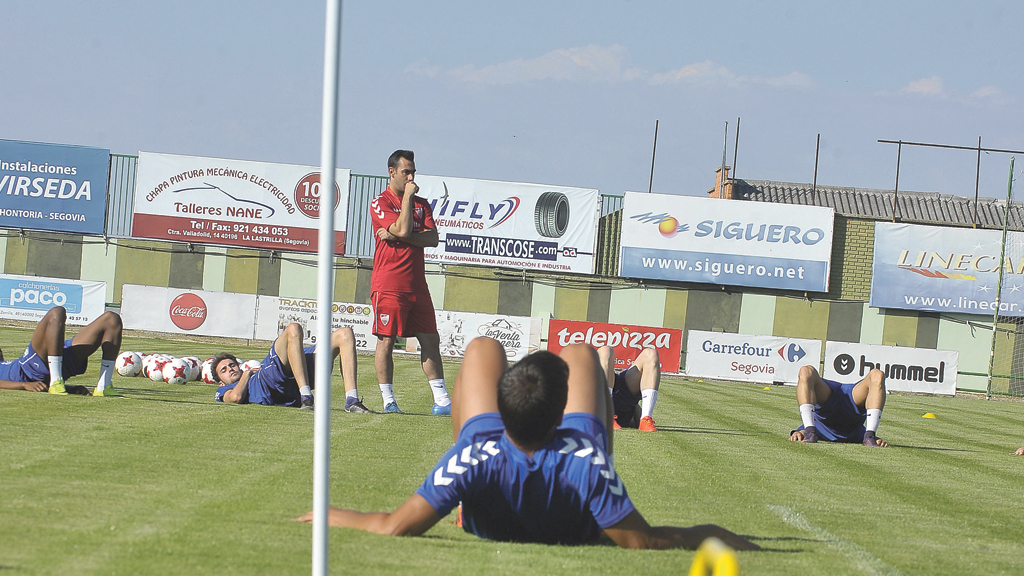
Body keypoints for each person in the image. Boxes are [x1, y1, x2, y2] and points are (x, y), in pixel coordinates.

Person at [298, 337, 758, 550]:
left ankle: (466, 506)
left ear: (500, 410)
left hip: (485, 470)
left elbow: (392, 525)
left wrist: (328, 513)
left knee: (482, 348)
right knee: (580, 353)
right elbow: (644, 540)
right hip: (577, 477)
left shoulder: (472, 455)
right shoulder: (587, 463)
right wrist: (714, 533)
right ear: (562, 419)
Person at [369, 149, 451, 415]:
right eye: (406, 172)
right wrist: (406, 202)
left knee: (431, 339)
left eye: (413, 172)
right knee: (387, 341)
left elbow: (432, 239)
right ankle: (389, 401)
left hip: (417, 285)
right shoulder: (379, 202)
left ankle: (442, 401)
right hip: (389, 284)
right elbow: (405, 228)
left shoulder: (422, 204)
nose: (411, 177)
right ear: (392, 172)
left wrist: (397, 236)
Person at [213, 323, 369, 413]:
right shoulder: (224, 390)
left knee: (345, 333)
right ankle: (306, 397)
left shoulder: (253, 373)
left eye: (232, 365)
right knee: (293, 328)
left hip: (286, 372)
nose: (230, 369)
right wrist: (246, 374)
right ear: (220, 382)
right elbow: (236, 397)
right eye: (224, 370)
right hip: (272, 380)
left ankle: (352, 400)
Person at [0, 305, 123, 397]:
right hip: (30, 369)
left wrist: (71, 389)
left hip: (41, 361)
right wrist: (24, 385)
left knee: (112, 319)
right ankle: (56, 382)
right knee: (57, 312)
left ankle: (103, 386)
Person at [789, 365, 888, 447]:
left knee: (805, 371)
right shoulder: (857, 434)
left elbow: (812, 427)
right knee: (877, 375)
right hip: (852, 403)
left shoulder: (819, 428)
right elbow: (860, 433)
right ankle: (870, 437)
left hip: (828, 400)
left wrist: (801, 431)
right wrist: (873, 437)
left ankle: (809, 432)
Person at [598, 346, 660, 432]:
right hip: (615, 405)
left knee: (651, 353)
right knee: (605, 351)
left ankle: (646, 419)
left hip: (605, 391)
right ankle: (606, 416)